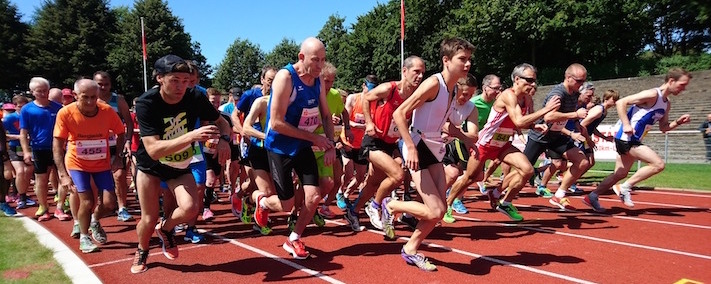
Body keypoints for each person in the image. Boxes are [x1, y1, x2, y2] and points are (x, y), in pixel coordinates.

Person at [131, 55, 231, 273]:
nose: (181, 86)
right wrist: (192, 136)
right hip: (151, 166)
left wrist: (224, 140)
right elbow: (154, 150)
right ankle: (142, 251)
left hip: (179, 164)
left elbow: (222, 121)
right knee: (148, 218)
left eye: (186, 81)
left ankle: (166, 230)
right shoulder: (147, 103)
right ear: (160, 78)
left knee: (190, 208)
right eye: (175, 80)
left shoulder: (195, 96)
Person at [383, 37, 473, 271]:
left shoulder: (453, 89)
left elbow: (446, 125)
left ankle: (410, 249)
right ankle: (391, 205)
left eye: (469, 60)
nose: (467, 64)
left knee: (439, 212)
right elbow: (399, 114)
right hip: (418, 144)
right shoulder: (434, 84)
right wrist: (410, 147)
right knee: (435, 210)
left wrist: (467, 140)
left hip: (435, 147)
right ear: (446, 60)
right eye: (462, 59)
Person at [252, 37, 335, 259]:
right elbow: (276, 123)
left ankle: (294, 238)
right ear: (301, 57)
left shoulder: (318, 81)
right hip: (279, 147)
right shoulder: (285, 77)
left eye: (323, 60)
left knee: (314, 196)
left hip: (302, 146)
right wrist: (313, 138)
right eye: (315, 60)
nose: (320, 66)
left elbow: (326, 115)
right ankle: (262, 200)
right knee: (287, 204)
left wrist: (330, 144)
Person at [584, 68, 692, 212]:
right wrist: (627, 124)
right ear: (671, 81)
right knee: (658, 164)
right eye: (682, 85)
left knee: (620, 174)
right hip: (627, 138)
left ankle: (592, 196)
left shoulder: (666, 104)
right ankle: (625, 187)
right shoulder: (652, 94)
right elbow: (621, 102)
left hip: (632, 140)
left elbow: (664, 128)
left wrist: (678, 122)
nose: (683, 89)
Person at [350, 55, 426, 234]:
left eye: (423, 72)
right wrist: (369, 122)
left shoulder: (415, 96)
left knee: (374, 183)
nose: (420, 76)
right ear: (404, 71)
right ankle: (375, 205)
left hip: (391, 143)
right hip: (373, 141)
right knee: (398, 174)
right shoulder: (389, 89)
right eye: (416, 71)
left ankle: (353, 211)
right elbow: (367, 98)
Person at [53, 79, 125, 253]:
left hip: (101, 164)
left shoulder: (107, 111)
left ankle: (94, 220)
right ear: (76, 95)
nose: (91, 102)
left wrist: (118, 157)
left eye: (94, 97)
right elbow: (57, 145)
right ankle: (84, 237)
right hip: (77, 163)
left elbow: (121, 133)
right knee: (87, 200)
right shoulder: (65, 113)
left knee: (109, 204)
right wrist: (63, 174)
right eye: (85, 97)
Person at [522, 63, 590, 210]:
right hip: (540, 135)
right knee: (523, 172)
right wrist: (575, 115)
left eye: (583, 81)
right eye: (579, 81)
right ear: (568, 77)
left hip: (556, 137)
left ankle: (559, 195)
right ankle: (498, 192)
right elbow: (549, 116)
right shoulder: (558, 93)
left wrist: (576, 122)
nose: (581, 84)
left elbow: (571, 109)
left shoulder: (575, 94)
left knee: (582, 162)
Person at [20, 77, 67, 221]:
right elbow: (23, 133)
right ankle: (44, 207)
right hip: (39, 148)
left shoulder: (58, 108)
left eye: (45, 90)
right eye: (39, 91)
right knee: (41, 180)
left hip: (58, 148)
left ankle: (59, 207)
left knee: (62, 177)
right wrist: (27, 151)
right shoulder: (27, 109)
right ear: (33, 92)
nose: (42, 94)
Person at [94, 71, 134, 222]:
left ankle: (122, 208)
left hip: (116, 144)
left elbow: (129, 122)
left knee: (119, 175)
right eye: (100, 84)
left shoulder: (118, 100)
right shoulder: (90, 100)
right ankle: (102, 206)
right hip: (96, 146)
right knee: (98, 178)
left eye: (106, 84)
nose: (103, 87)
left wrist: (128, 140)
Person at [440, 74, 479, 223]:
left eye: (471, 94)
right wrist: (457, 132)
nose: (467, 97)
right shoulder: (446, 100)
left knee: (463, 174)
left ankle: (443, 204)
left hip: (448, 144)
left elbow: (474, 135)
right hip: (428, 140)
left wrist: (455, 132)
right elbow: (444, 125)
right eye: (465, 94)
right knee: (452, 173)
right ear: (456, 89)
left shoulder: (471, 108)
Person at [4, 97, 36, 210]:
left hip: (28, 147)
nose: (22, 109)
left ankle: (23, 194)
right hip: (14, 147)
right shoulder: (10, 118)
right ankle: (21, 197)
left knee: (28, 171)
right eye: (19, 106)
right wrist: (18, 137)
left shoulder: (30, 117)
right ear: (15, 106)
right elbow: (3, 135)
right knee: (20, 171)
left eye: (24, 106)